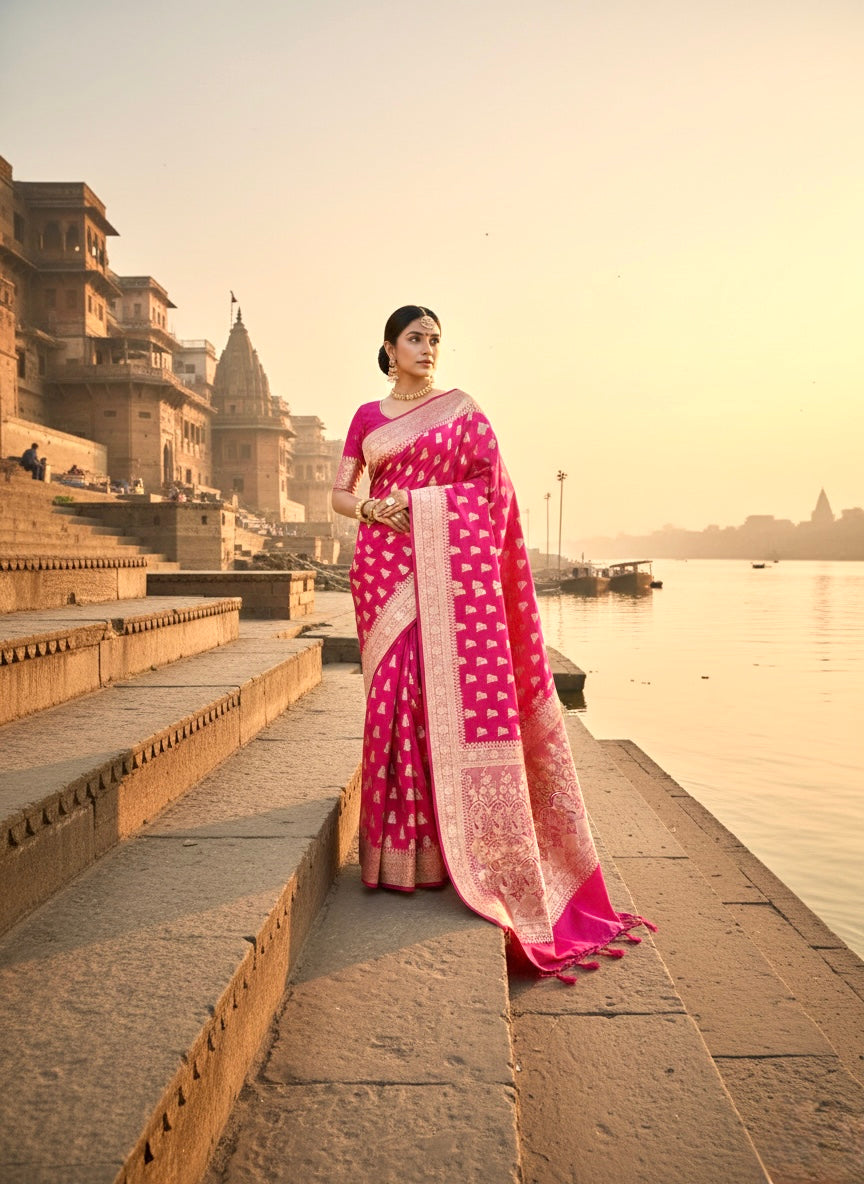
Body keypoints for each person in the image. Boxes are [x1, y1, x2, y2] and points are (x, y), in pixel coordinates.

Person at [331, 305, 654, 981]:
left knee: (436, 698)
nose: (428, 348)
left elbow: (488, 492)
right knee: (392, 698)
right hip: (383, 569)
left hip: (445, 567)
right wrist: (374, 508)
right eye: (416, 338)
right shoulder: (366, 417)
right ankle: (401, 852)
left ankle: (454, 854)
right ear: (389, 347)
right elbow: (341, 493)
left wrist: (424, 509)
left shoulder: (463, 411)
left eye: (436, 340)